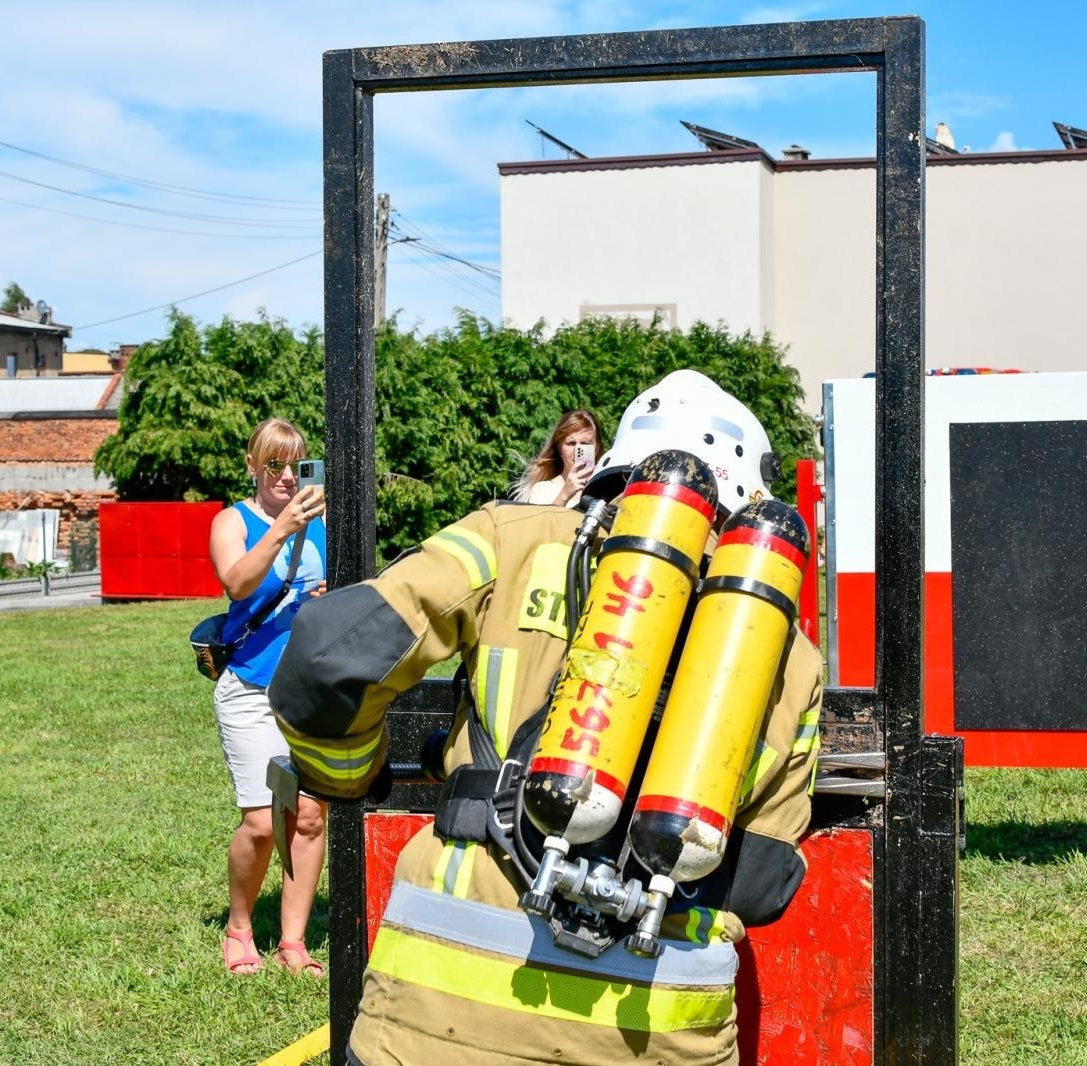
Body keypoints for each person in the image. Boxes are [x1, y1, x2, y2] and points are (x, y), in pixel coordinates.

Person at [270, 371, 822, 1066]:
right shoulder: (790, 657)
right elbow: (763, 882)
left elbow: (328, 658)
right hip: (657, 1034)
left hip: (439, 1025)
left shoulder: (512, 536)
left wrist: (350, 777)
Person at [208, 417, 330, 977]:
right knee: (261, 823)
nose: (284, 476)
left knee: (307, 817)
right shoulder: (232, 520)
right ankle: (238, 926)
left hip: (310, 688)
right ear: (253, 467)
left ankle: (293, 942)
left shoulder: (327, 523)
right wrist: (282, 528)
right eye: (273, 465)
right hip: (251, 688)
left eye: (295, 465)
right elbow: (236, 583)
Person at [513, 408, 605, 507]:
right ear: (559, 448)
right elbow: (544, 522)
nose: (577, 451)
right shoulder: (543, 490)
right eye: (571, 443)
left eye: (585, 443)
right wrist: (564, 495)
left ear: (596, 448)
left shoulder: (608, 489)